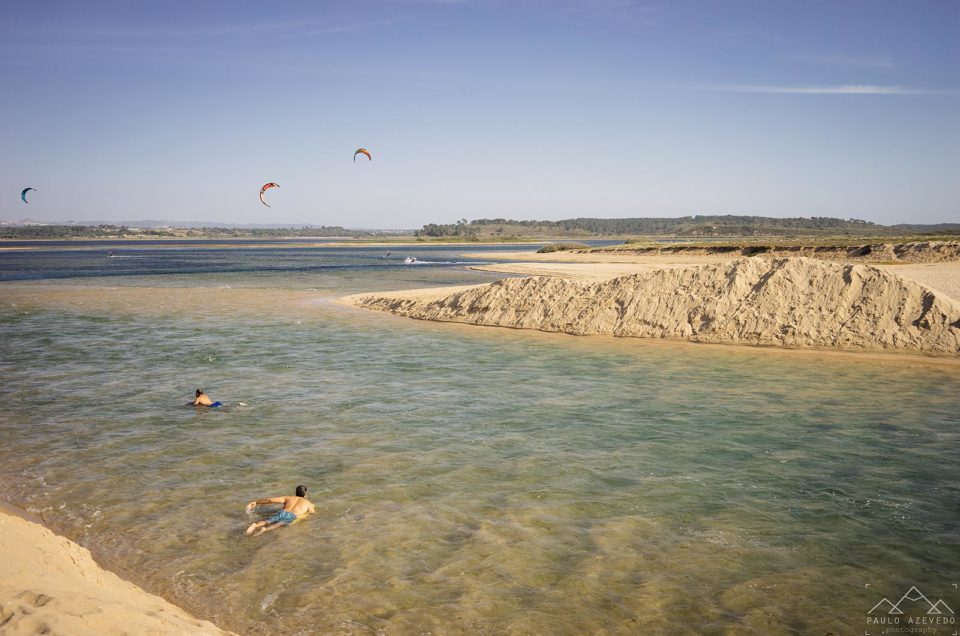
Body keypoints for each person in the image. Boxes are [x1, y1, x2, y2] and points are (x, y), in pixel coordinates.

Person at [245, 485, 316, 536]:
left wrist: (256, 502)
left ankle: (256, 525)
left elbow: (270, 500)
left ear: (296, 492)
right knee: (280, 523)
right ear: (305, 494)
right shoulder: (308, 503)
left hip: (283, 512)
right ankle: (264, 530)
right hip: (292, 515)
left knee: (268, 521)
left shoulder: (288, 498)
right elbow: (312, 513)